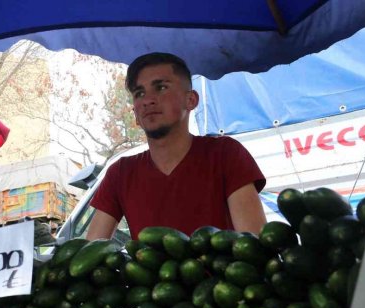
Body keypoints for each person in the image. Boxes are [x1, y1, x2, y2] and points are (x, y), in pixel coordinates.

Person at [87, 53, 267, 240]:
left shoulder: (226, 154)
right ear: (135, 113)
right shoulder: (119, 173)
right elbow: (89, 250)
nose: (148, 100)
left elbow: (254, 246)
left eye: (161, 87)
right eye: (139, 93)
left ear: (191, 100)